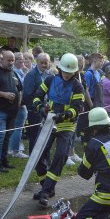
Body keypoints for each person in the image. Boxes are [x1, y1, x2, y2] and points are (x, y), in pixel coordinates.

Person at [32, 53, 84, 206]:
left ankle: (46, 191)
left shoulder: (77, 86)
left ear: (75, 71)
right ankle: (46, 189)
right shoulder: (49, 80)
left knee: (60, 156)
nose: (67, 75)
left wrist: (66, 115)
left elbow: (77, 108)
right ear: (60, 68)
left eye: (70, 72)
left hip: (67, 126)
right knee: (39, 155)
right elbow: (37, 96)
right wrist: (40, 108)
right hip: (49, 123)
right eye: (65, 71)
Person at [8, 52, 29, 159]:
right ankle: (15, 150)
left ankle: (14, 147)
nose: (22, 61)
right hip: (19, 103)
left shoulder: (21, 71)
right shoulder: (14, 73)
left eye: (23, 59)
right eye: (19, 59)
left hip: (21, 102)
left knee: (18, 127)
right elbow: (22, 87)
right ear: (14, 61)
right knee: (18, 127)